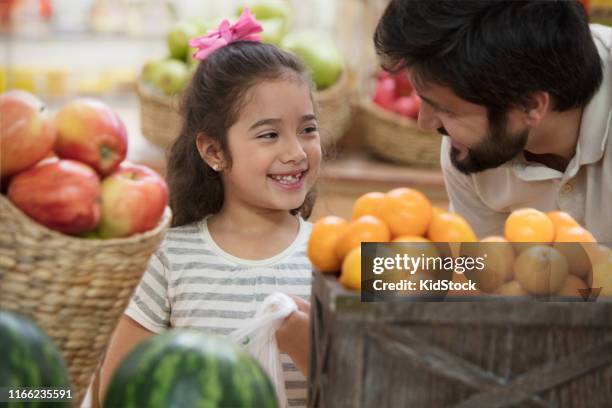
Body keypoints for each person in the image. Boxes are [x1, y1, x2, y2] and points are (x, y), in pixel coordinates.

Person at [98, 9, 321, 407]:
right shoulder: (171, 258)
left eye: (308, 128)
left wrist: (316, 354)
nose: (296, 152)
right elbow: (115, 392)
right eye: (269, 134)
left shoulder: (337, 256)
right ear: (214, 151)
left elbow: (460, 276)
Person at [374, 0, 612, 241]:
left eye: (447, 110)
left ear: (530, 105)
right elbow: (488, 272)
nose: (424, 123)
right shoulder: (473, 147)